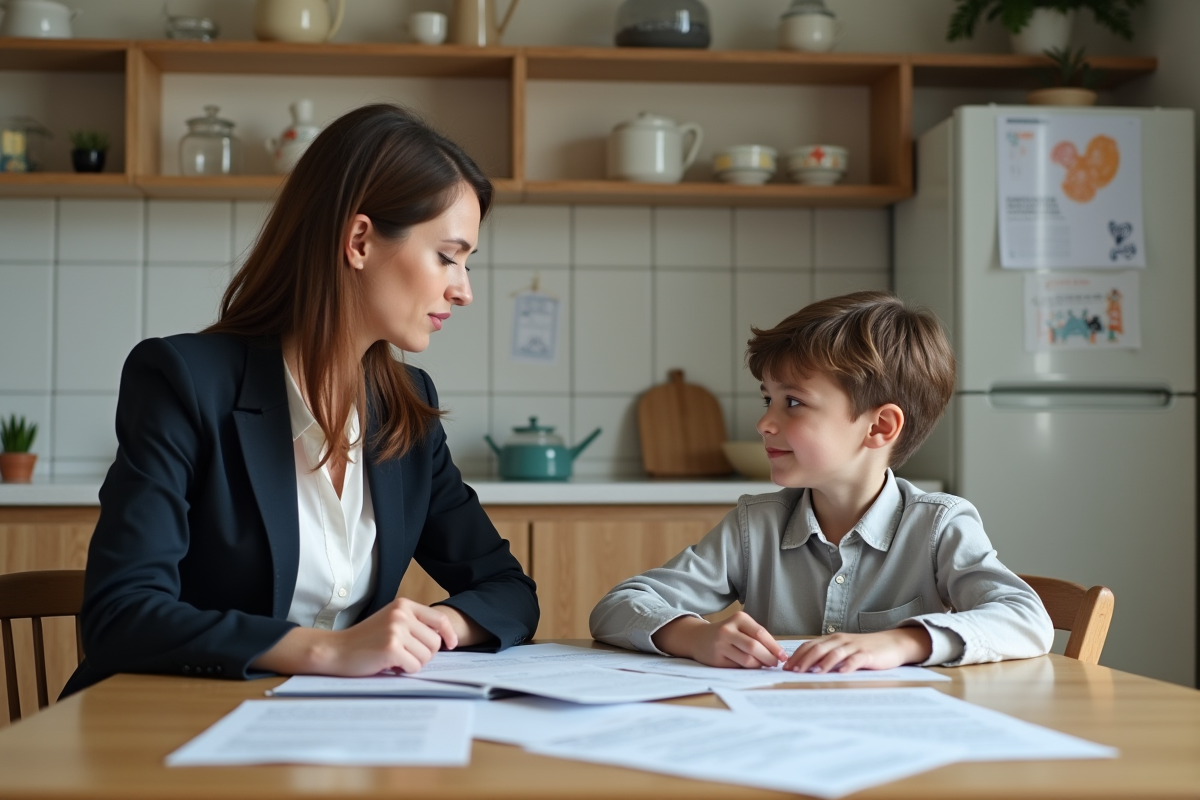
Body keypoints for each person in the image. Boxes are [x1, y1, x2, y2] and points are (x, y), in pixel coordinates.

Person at [63, 104, 538, 697]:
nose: (463, 290)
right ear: (359, 240)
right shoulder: (184, 381)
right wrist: (329, 650)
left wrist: (436, 627)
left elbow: (508, 590)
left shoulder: (407, 408)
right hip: (166, 725)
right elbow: (121, 615)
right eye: (447, 256)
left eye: (467, 262)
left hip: (328, 727)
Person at [590, 291, 1052, 673]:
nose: (764, 423)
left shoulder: (938, 527)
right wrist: (695, 636)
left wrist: (901, 642)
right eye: (768, 399)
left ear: (879, 427)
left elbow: (1027, 618)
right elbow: (617, 606)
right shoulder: (755, 527)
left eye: (792, 402)